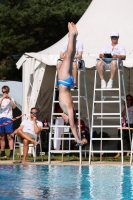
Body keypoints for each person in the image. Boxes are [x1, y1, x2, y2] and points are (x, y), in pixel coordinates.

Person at [57, 22, 83, 146]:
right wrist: (78, 140)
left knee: (70, 56)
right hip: (64, 81)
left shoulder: (67, 109)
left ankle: (73, 36)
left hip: (66, 83)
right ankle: (72, 35)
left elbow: (70, 123)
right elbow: (72, 125)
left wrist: (78, 139)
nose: (64, 118)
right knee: (69, 56)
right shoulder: (69, 109)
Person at [0, 85, 16, 158]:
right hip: (1, 118)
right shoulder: (0, 99)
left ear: (8, 92)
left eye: (6, 91)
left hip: (8, 118)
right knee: (1, 136)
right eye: (3, 92)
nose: (5, 93)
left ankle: (11, 151)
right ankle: (2, 152)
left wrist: (9, 99)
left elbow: (14, 107)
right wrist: (2, 98)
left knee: (9, 136)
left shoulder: (11, 99)